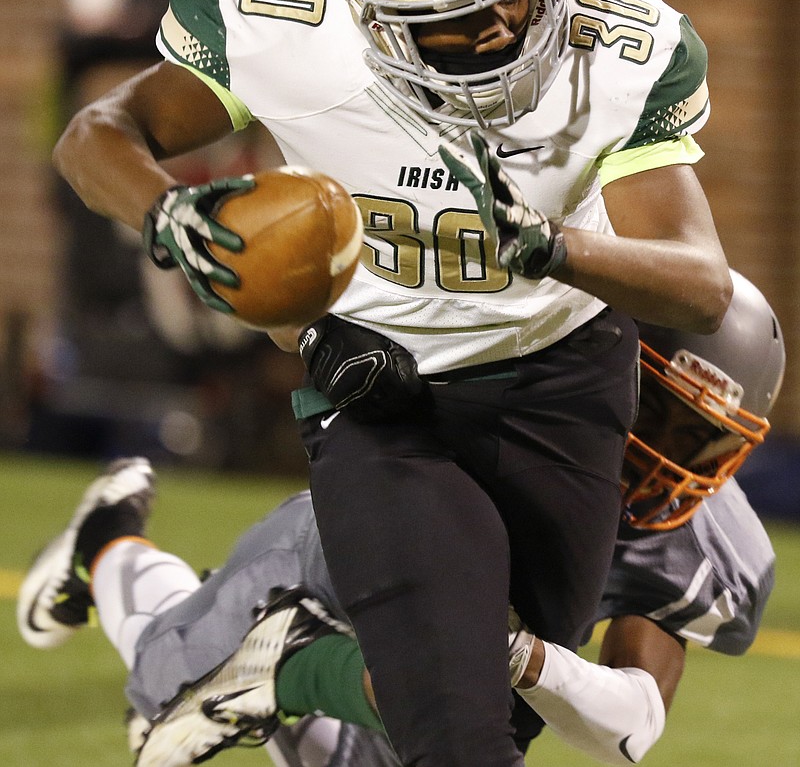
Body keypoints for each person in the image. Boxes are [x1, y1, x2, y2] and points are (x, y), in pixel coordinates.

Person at [50, 0, 732, 767]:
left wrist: (551, 247)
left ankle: (216, 629)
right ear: (368, 12)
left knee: (474, 707)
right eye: (460, 18)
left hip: (560, 391)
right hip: (376, 388)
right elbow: (99, 134)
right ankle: (255, 655)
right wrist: (167, 216)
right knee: (454, 730)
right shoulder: (288, 25)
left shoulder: (615, 45)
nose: (505, 27)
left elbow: (702, 286)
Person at [16, 272, 783, 767]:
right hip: (349, 557)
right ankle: (111, 542)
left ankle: (291, 672)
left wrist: (519, 655)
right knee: (161, 690)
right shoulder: (513, 414)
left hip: (473, 646)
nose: (665, 460)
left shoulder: (711, 549)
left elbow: (632, 726)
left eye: (699, 438)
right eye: (653, 411)